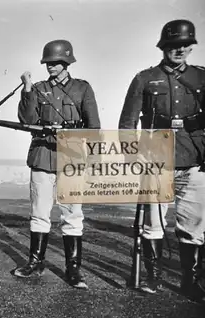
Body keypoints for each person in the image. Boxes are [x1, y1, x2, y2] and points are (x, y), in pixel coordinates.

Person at [119, 19, 205, 300]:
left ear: (191, 46)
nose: (179, 50)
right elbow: (127, 123)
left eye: (184, 45)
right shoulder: (145, 78)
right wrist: (132, 155)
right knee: (152, 224)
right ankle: (153, 278)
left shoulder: (202, 78)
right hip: (155, 161)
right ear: (164, 47)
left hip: (195, 159)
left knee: (192, 225)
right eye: (173, 45)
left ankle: (190, 282)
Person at [14, 40, 101, 289]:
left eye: (56, 62)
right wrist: (28, 89)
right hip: (42, 156)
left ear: (67, 63)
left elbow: (93, 127)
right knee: (39, 213)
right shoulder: (38, 88)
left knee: (72, 215)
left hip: (72, 160)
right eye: (48, 63)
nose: (51, 66)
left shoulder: (82, 89)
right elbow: (26, 119)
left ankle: (73, 270)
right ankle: (36, 262)